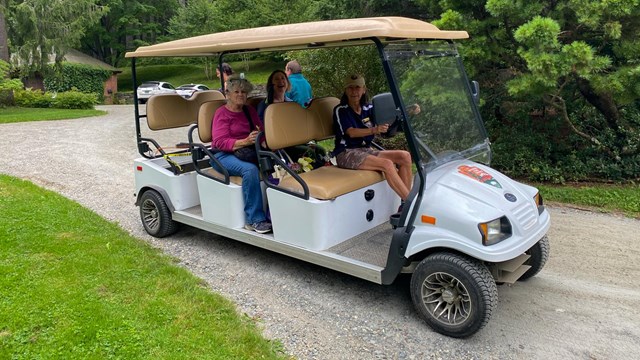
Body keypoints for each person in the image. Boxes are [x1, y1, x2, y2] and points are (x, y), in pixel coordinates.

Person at [333, 74, 412, 205]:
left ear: (364, 89)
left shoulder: (369, 109)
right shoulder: (341, 110)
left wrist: (408, 112)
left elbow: (389, 119)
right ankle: (411, 203)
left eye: (357, 87)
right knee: (386, 164)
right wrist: (374, 130)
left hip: (366, 150)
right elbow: (351, 132)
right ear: (346, 90)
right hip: (346, 153)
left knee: (405, 156)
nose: (354, 91)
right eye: (350, 88)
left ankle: (404, 205)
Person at [211, 75, 272, 234]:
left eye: (244, 92)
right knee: (250, 170)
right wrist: (245, 141)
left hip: (247, 151)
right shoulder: (221, 114)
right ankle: (254, 219)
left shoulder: (249, 110)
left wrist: (266, 144)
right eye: (236, 91)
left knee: (277, 161)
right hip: (222, 155)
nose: (240, 95)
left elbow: (260, 132)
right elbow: (220, 142)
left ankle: (274, 213)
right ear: (228, 94)